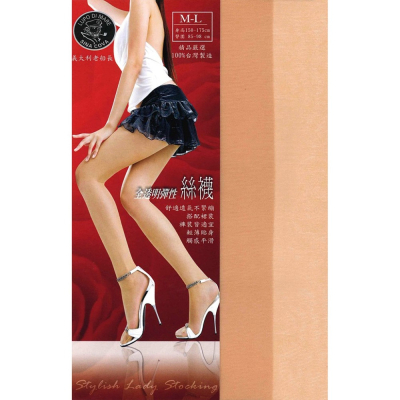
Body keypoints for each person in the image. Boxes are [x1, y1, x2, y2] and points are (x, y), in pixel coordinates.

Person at [73, 0, 220, 347]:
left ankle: (130, 279)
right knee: (134, 196)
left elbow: (135, 62)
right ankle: (201, 285)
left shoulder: (143, 1)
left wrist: (110, 125)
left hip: (160, 107)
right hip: (163, 107)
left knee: (88, 175)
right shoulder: (130, 13)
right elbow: (96, 4)